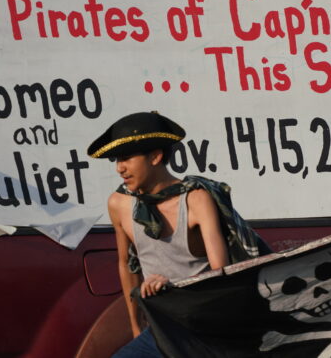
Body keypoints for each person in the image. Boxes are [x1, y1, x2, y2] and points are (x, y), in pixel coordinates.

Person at [87, 111, 266, 358]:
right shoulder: (119, 204)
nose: (120, 168)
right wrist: (136, 327)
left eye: (126, 158)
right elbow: (126, 265)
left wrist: (174, 290)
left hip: (204, 328)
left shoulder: (196, 199)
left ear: (155, 156)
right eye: (117, 160)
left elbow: (219, 275)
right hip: (160, 329)